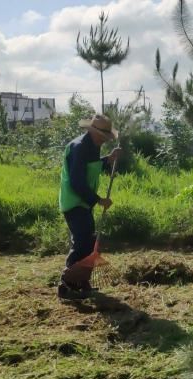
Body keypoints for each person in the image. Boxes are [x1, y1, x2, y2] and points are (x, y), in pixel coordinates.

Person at [57, 115, 122, 300]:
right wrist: (98, 200)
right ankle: (66, 285)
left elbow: (91, 167)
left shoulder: (93, 146)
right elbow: (77, 181)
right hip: (74, 202)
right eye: (103, 136)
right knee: (82, 242)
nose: (105, 140)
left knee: (88, 242)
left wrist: (107, 160)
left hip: (83, 203)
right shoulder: (78, 148)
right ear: (93, 132)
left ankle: (81, 282)